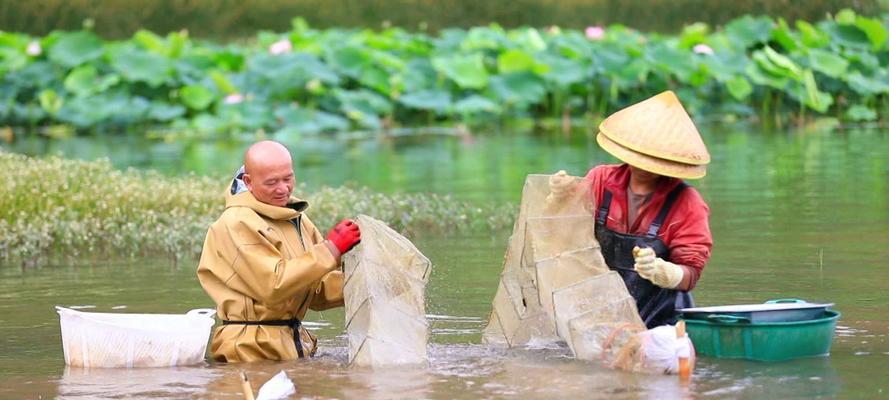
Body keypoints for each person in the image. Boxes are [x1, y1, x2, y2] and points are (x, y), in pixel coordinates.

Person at [550, 91, 712, 329]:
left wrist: (663, 271)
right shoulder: (601, 180)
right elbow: (562, 235)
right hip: (599, 308)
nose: (645, 164)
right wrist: (558, 197)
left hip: (660, 319)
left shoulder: (687, 202)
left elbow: (691, 274)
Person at [196, 140, 361, 362]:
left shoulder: (296, 219)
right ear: (249, 182)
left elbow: (315, 291)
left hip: (291, 343)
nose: (283, 188)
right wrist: (331, 249)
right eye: (272, 182)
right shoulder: (237, 223)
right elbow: (273, 285)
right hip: (250, 351)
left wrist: (365, 282)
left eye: (288, 178)